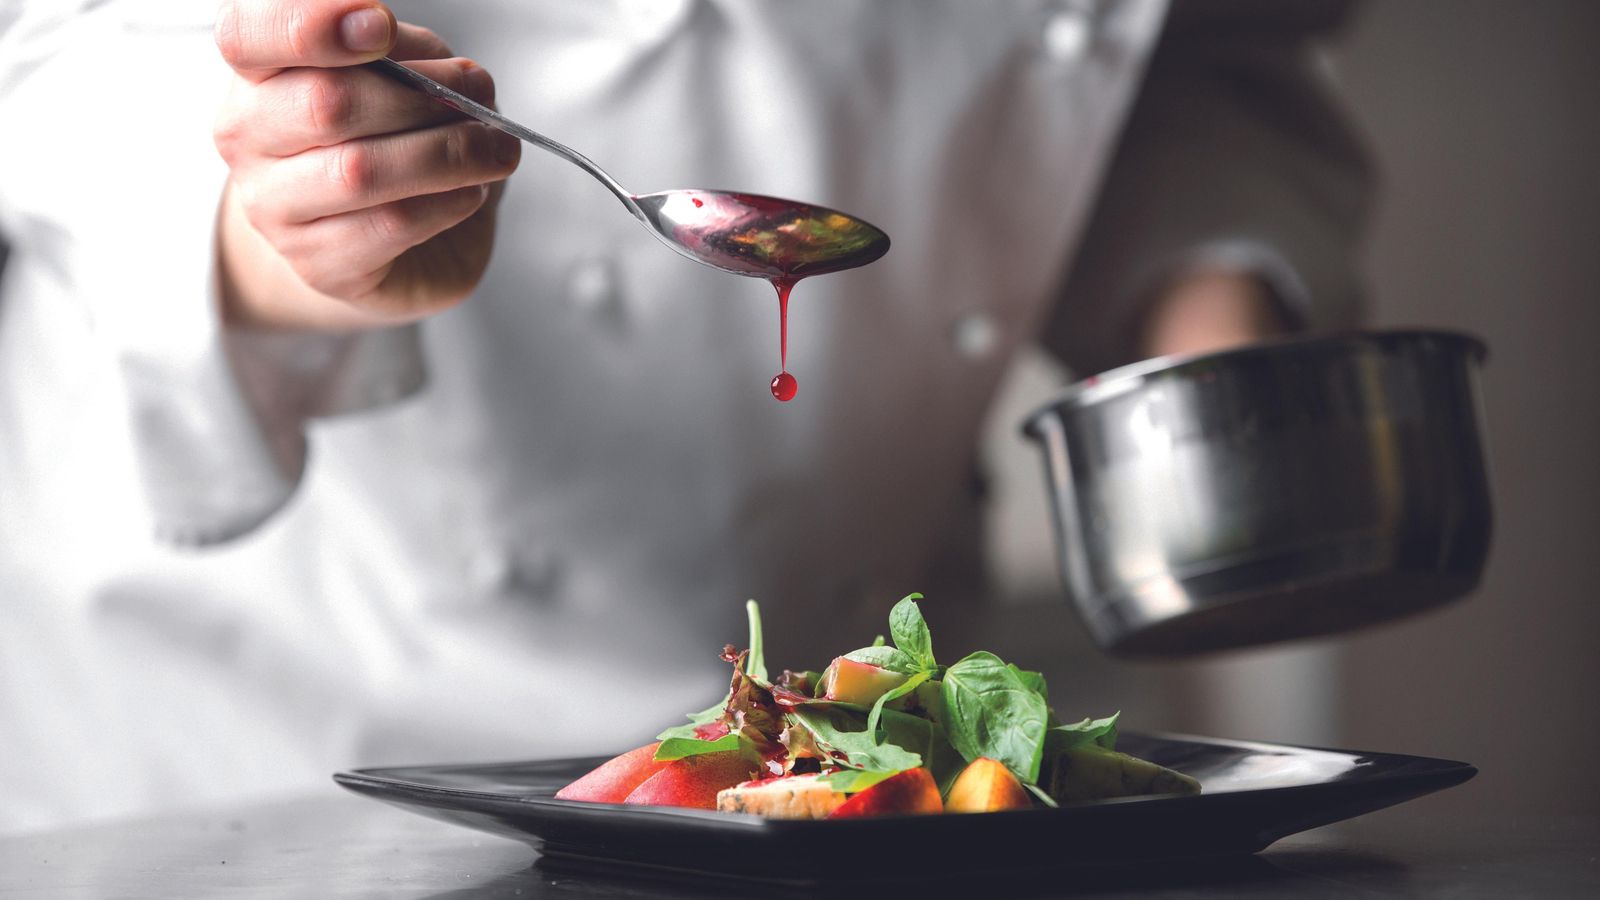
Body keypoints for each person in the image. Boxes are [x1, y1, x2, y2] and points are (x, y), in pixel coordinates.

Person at [0, 0, 1371, 834]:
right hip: (271, 731)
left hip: (875, 761)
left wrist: (1215, 335)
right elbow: (64, 49)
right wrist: (295, 214)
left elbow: (1188, 54)